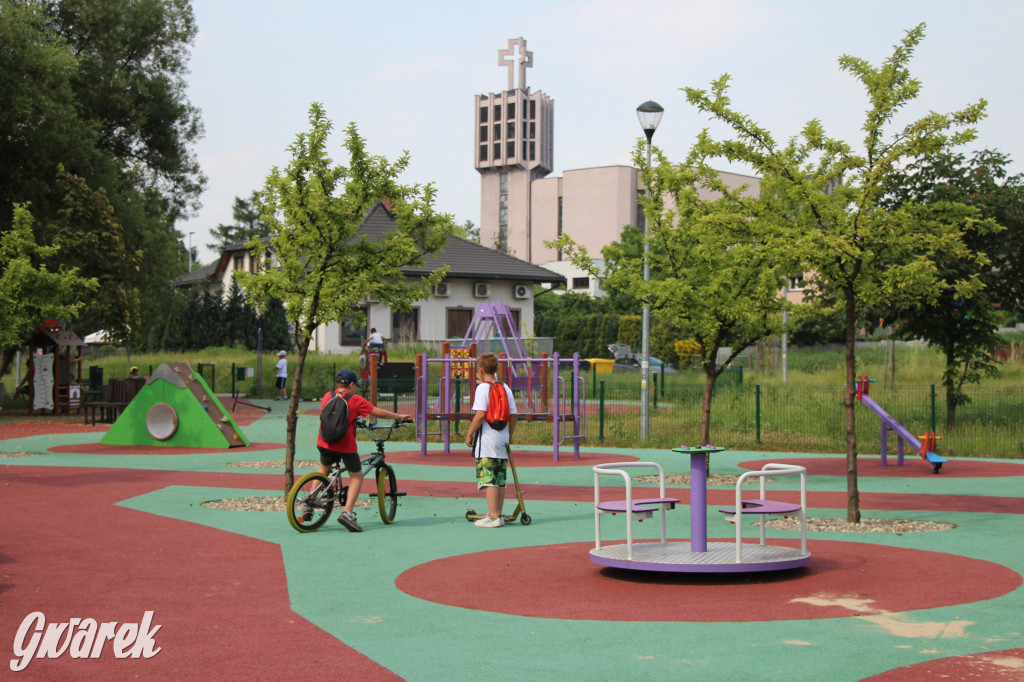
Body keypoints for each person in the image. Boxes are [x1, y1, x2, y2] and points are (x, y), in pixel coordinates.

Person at [317, 369, 411, 532]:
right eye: (355, 386)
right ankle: (347, 513)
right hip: (344, 446)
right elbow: (378, 412)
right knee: (356, 477)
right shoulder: (355, 400)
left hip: (324, 441)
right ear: (351, 384)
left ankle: (310, 504)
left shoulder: (327, 396)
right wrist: (398, 416)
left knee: (323, 470)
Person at [463, 352, 517, 528]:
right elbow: (514, 414)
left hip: (487, 439)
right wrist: (510, 435)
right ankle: (498, 514)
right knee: (499, 476)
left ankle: (493, 516)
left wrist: (470, 433)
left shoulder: (483, 388)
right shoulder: (505, 387)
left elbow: (480, 414)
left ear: (480, 369)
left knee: (489, 476)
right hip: (502, 436)